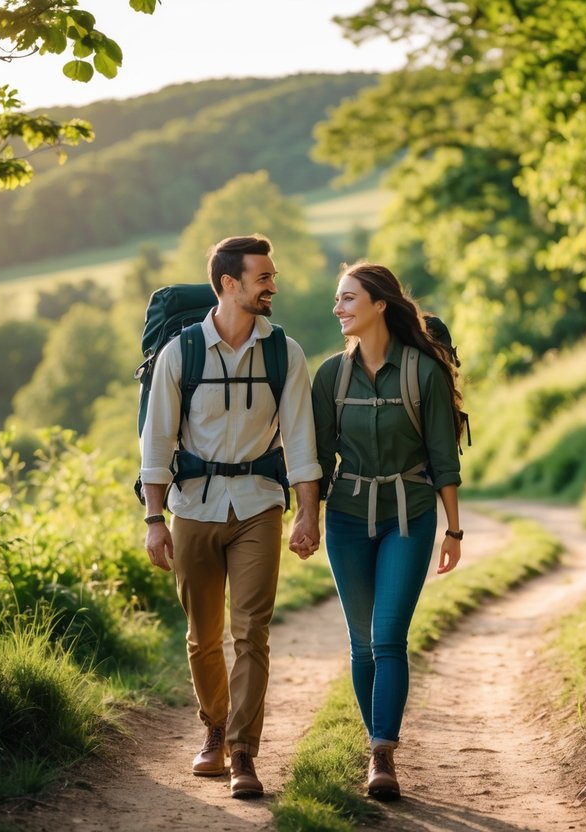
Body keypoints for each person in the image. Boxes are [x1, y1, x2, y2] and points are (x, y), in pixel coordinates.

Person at [140, 235, 322, 799]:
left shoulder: (283, 352)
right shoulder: (182, 351)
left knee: (251, 633)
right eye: (262, 277)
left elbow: (301, 439)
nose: (272, 285)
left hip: (260, 508)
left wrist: (307, 515)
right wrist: (153, 519)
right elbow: (157, 440)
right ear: (228, 284)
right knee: (203, 636)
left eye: (271, 276)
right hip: (193, 507)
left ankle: (243, 751)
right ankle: (213, 729)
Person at [306, 261, 465, 801]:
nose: (339, 309)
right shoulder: (330, 376)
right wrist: (306, 516)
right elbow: (319, 458)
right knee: (361, 642)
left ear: (379, 304)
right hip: (347, 518)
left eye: (349, 298)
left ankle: (381, 756)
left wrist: (455, 531)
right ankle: (376, 742)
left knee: (389, 637)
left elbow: (444, 457)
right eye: (337, 299)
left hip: (410, 515)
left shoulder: (423, 373)